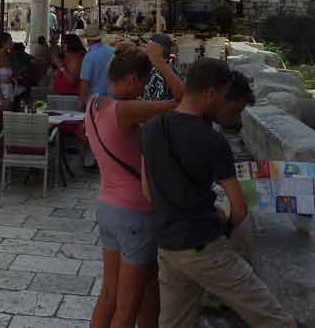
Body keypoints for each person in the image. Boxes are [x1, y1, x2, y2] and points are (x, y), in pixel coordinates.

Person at [140, 61, 297, 328]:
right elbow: (239, 208)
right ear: (211, 93)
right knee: (273, 319)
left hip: (167, 246)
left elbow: (147, 192)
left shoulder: (153, 127)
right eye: (226, 95)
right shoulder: (213, 141)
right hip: (205, 249)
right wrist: (222, 221)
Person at [86, 44, 178, 328]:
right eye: (144, 80)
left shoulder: (92, 105)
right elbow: (186, 100)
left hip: (108, 208)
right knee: (127, 307)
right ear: (132, 79)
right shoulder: (125, 110)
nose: (143, 89)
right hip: (135, 213)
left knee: (111, 296)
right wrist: (158, 60)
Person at [78, 26, 115, 105]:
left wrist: (81, 100)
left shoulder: (89, 56)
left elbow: (85, 81)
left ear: (88, 40)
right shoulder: (113, 51)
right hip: (113, 97)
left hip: (95, 100)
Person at [0, 32, 21, 110]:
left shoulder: (9, 56)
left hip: (9, 89)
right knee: (0, 116)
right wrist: (2, 98)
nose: (12, 43)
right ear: (3, 43)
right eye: (10, 41)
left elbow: (15, 73)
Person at [143, 33, 178, 102]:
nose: (146, 49)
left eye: (150, 46)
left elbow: (156, 101)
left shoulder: (159, 72)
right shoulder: (167, 67)